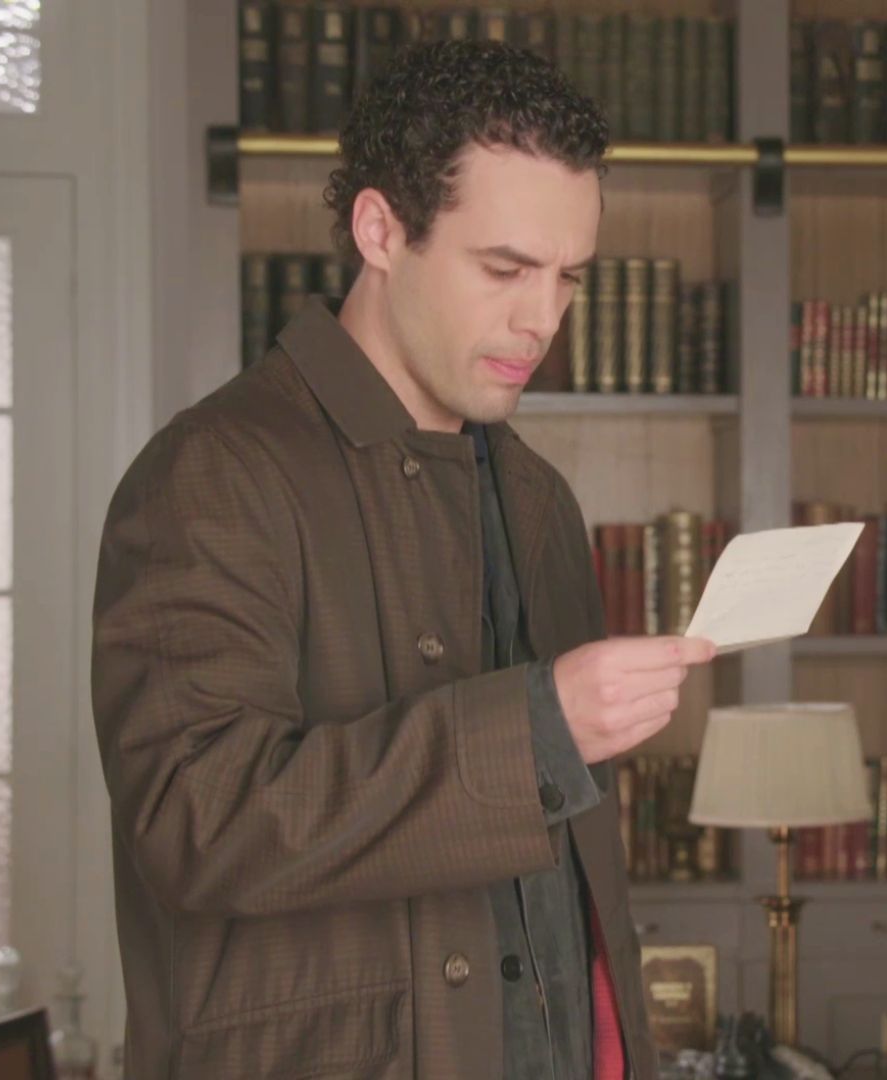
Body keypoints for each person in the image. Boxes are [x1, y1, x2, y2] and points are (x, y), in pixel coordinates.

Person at [91, 40, 712, 1079]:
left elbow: (573, 902)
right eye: (505, 269)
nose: (542, 319)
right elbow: (194, 821)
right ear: (380, 230)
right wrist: (535, 733)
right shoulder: (211, 472)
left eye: (568, 277)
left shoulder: (540, 500)